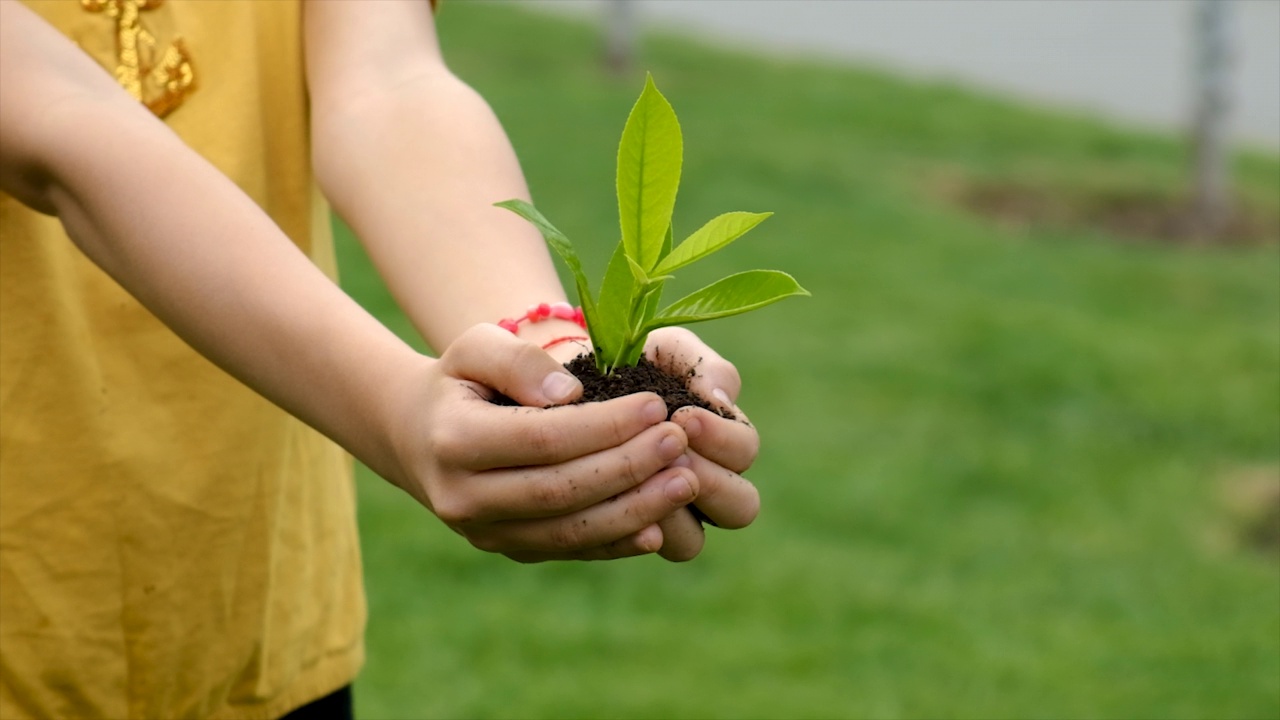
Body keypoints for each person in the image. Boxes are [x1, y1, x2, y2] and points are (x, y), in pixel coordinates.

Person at [0, 0, 762, 718]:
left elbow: (385, 78)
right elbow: (63, 127)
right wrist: (393, 410)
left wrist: (548, 359)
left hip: (255, 624)